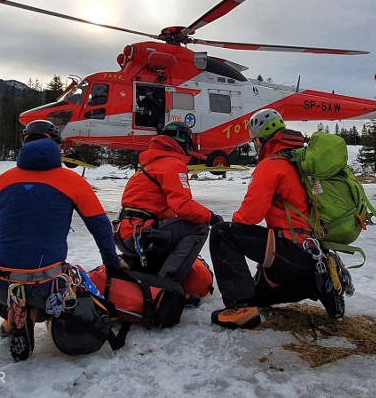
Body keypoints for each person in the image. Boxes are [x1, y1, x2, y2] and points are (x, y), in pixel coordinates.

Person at [0, 120, 123, 360]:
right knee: (56, 276)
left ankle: (13, 318)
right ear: (58, 146)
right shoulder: (73, 181)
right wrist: (112, 264)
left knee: (14, 271)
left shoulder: (2, 181)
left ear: (24, 144)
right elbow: (101, 229)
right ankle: (30, 314)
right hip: (46, 285)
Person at [209, 109, 346, 329]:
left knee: (222, 233)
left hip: (289, 247)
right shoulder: (299, 162)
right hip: (311, 253)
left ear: (260, 139)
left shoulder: (272, 165)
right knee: (261, 297)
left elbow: (250, 216)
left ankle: (241, 308)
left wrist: (232, 223)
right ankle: (320, 286)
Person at [116, 121, 222, 285]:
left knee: (176, 226)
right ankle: (166, 285)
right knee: (199, 226)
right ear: (184, 143)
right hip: (140, 236)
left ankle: (148, 276)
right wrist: (211, 217)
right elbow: (183, 206)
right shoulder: (172, 164)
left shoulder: (151, 164)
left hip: (126, 234)